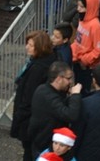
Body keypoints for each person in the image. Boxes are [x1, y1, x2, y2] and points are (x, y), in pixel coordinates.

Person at [10, 31, 60, 160]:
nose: (27, 47)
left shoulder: (37, 69)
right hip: (40, 118)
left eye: (31, 45)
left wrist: (18, 117)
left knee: (29, 151)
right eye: (27, 43)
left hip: (30, 119)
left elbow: (28, 97)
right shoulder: (50, 59)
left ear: (40, 47)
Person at [28, 61, 82, 158]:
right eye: (68, 78)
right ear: (59, 79)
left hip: (44, 142)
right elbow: (71, 115)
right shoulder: (48, 96)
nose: (70, 82)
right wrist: (75, 95)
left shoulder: (45, 89)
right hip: (45, 146)